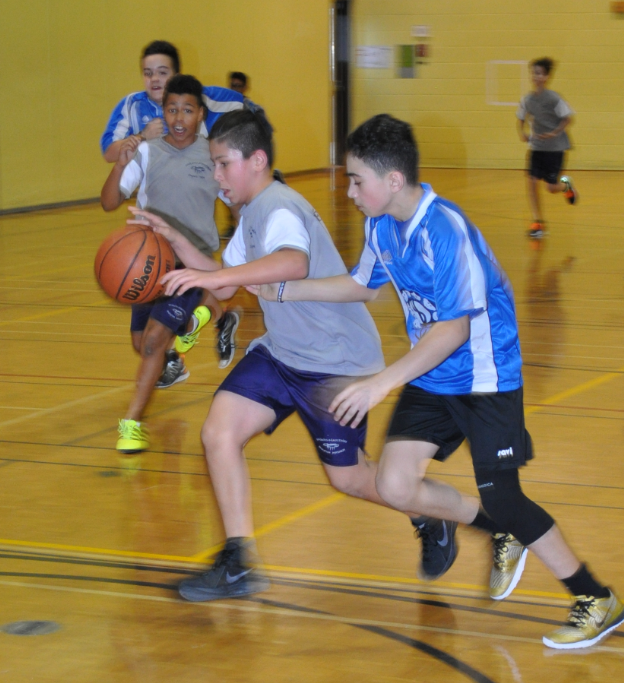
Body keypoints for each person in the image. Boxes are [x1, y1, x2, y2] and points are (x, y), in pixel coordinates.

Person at [255, 114, 623, 650]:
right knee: (394, 485)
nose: (350, 191)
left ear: (393, 181)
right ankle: (495, 531)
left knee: (507, 497)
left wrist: (381, 383)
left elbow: (453, 329)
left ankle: (596, 599)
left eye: (357, 180)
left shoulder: (444, 230)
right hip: (433, 372)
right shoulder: (382, 225)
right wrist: (288, 291)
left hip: (485, 375)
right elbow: (362, 285)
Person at [131, 109, 460, 603]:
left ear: (256, 160)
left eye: (223, 164)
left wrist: (214, 280)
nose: (217, 176)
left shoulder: (280, 206)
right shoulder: (252, 214)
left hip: (333, 364)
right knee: (218, 433)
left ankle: (427, 513)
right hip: (281, 353)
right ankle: (239, 561)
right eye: (214, 166)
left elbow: (292, 262)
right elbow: (232, 273)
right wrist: (176, 240)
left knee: (349, 479)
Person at [100, 75, 239, 454]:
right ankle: (205, 318)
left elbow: (239, 200)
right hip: (149, 262)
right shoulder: (146, 152)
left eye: (188, 110)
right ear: (163, 111)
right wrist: (119, 165)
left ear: (200, 114)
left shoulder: (214, 155)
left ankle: (131, 423)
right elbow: (109, 201)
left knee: (154, 343)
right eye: (172, 109)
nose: (179, 117)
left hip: (189, 262)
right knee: (140, 343)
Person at [101, 41, 244, 163]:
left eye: (162, 72)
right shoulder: (131, 105)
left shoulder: (200, 98)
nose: (154, 79)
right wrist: (143, 136)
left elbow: (244, 105)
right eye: (148, 73)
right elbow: (109, 153)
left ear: (177, 76)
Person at [517, 57, 578, 240]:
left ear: (546, 76)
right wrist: (522, 132)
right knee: (532, 182)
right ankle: (537, 222)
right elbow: (520, 118)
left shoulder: (554, 98)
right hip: (537, 147)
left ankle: (566, 185)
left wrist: (554, 133)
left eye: (539, 73)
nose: (535, 76)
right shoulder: (527, 99)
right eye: (533, 73)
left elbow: (568, 118)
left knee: (551, 187)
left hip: (555, 148)